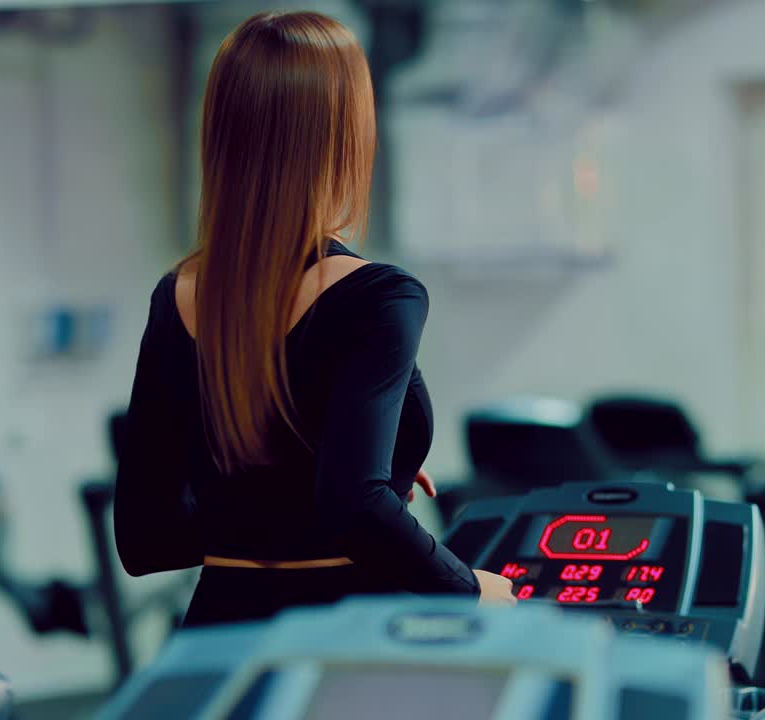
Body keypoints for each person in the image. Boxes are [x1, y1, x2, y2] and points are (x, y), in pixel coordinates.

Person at [113, 10, 516, 625]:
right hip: (346, 641)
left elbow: (147, 535)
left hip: (215, 641)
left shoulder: (178, 296)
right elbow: (353, 508)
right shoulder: (382, 295)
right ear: (346, 131)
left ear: (222, 134)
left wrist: (299, 495)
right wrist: (468, 586)